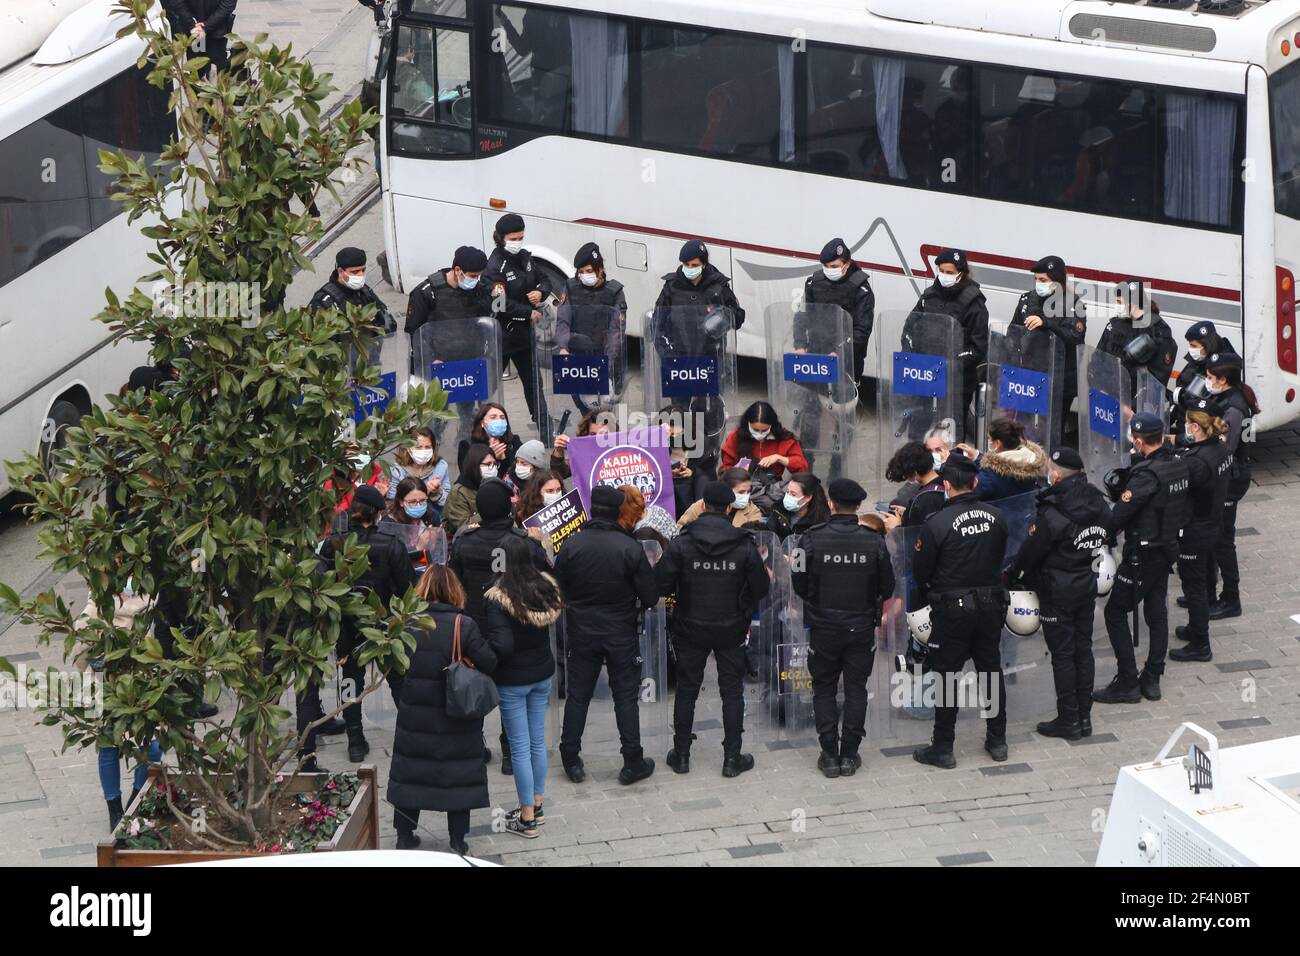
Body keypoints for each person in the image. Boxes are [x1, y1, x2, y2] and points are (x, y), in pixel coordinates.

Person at [657, 481, 770, 776]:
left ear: (703, 506)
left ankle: (681, 754)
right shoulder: (744, 544)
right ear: (730, 508)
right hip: (731, 627)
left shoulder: (682, 542)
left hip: (690, 625)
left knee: (687, 689)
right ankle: (732, 758)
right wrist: (742, 605)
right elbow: (761, 586)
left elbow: (660, 583)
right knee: (732, 691)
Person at [553, 485, 660, 785]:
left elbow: (558, 589)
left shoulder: (572, 545)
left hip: (582, 632)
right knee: (625, 697)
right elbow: (650, 596)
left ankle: (570, 757)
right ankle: (632, 761)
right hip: (620, 633)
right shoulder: (629, 548)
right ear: (616, 512)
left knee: (579, 696)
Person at [388, 565, 497, 854]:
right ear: (454, 590)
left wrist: (403, 695)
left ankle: (404, 834)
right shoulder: (464, 625)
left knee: (411, 768)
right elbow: (489, 661)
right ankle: (457, 839)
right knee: (458, 772)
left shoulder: (407, 623)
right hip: (455, 711)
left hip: (415, 711)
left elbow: (392, 665)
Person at [911, 455, 1011, 769]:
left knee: (946, 677)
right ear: (976, 482)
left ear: (946, 485)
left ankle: (943, 747)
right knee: (991, 671)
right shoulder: (997, 516)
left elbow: (921, 570)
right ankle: (997, 740)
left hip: (952, 610)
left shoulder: (937, 523)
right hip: (990, 606)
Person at [791, 478, 895, 777]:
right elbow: (887, 587)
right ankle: (849, 755)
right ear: (859, 506)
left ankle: (829, 753)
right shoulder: (875, 541)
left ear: (832, 504)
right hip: (860, 627)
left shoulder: (808, 539)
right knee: (855, 688)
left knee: (823, 687)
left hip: (823, 626)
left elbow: (799, 582)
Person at [1009, 447, 1113, 740]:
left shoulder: (1053, 512)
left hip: (1057, 589)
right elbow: (1110, 531)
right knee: (1084, 649)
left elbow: (1031, 553)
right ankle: (1084, 716)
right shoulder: (1097, 501)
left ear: (1055, 475)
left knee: (1064, 655)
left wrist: (1016, 576)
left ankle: (1069, 719)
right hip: (1086, 584)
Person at [450, 478, 550, 775]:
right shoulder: (523, 542)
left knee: (474, 686)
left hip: (476, 627)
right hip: (513, 625)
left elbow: (456, 581)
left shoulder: (465, 542)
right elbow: (542, 578)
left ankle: (475, 746)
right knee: (511, 685)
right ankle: (510, 753)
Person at [1093, 412, 1189, 705]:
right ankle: (1152, 677)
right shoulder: (1176, 464)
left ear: (1137, 440)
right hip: (1166, 548)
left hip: (1143, 554)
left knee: (1115, 612)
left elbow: (1118, 515)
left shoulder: (1146, 476)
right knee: (1156, 610)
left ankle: (1127, 681)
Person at [319, 483, 418, 762]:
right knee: (398, 679)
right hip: (386, 624)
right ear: (376, 514)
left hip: (348, 625)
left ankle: (355, 740)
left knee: (350, 681)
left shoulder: (335, 543)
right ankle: (411, 736)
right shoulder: (391, 544)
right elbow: (408, 588)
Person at [483, 535, 564, 838]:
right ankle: (537, 805)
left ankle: (526, 816)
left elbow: (502, 645)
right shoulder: (545, 587)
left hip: (512, 681)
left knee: (519, 747)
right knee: (536, 742)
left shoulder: (498, 597)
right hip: (542, 674)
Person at [652, 239, 745, 462]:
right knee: (679, 414)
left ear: (703, 264)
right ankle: (679, 458)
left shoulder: (718, 286)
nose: (689, 269)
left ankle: (708, 456)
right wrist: (667, 354)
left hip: (709, 360)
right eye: (685, 264)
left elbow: (738, 316)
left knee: (708, 413)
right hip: (679, 362)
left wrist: (723, 316)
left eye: (694, 264)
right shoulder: (672, 287)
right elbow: (657, 324)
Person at [1170, 401, 1232, 664]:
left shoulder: (1198, 461)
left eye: (1187, 423)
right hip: (1212, 523)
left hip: (1195, 529)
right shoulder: (1220, 448)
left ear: (1195, 426)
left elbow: (1179, 486)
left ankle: (1200, 644)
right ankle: (1197, 628)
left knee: (1193, 586)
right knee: (1204, 581)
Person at [906, 248, 988, 434]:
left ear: (961, 273)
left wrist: (950, 364)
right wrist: (910, 355)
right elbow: (910, 326)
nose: (944, 275)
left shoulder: (974, 303)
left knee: (950, 434)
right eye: (941, 270)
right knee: (917, 430)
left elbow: (978, 347)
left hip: (956, 382)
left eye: (949, 272)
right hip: (926, 376)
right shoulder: (929, 295)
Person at [1201, 351, 1257, 621]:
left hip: (1231, 477)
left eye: (1211, 377)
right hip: (1229, 473)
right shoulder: (1231, 397)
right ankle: (1207, 592)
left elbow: (1225, 448)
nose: (1207, 380)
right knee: (1216, 537)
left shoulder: (1234, 408)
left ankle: (1231, 598)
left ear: (1224, 379)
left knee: (1222, 540)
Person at [1009, 255, 1087, 445]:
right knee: (1024, 427)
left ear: (1057, 281)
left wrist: (1046, 323)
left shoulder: (1073, 305)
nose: (1038, 284)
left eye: (1043, 280)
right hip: (1030, 376)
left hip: (1059, 381)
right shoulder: (1027, 300)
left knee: (1052, 429)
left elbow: (1074, 336)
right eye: (1036, 279)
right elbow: (1013, 333)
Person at [485, 213, 550, 423]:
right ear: (501, 238)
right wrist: (527, 312)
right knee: (489, 387)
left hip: (524, 336)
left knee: (534, 385)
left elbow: (545, 280)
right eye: (513, 239)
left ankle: (544, 426)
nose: (517, 242)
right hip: (503, 336)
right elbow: (499, 304)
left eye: (520, 237)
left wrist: (541, 292)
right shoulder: (496, 266)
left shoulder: (525, 258)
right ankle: (479, 427)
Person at [404, 245, 493, 376]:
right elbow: (413, 331)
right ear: (458, 270)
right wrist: (430, 359)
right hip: (437, 365)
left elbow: (484, 323)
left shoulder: (478, 291)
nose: (475, 280)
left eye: (478, 276)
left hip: (469, 363)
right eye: (473, 276)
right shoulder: (426, 292)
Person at [803, 237, 875, 396]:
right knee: (812, 409)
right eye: (826, 266)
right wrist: (800, 345)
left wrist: (840, 352)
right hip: (817, 357)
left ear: (847, 264)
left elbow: (862, 330)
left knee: (842, 408)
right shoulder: (814, 283)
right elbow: (805, 318)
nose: (829, 270)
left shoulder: (861, 289)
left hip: (846, 361)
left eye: (834, 266)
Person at [1097, 279, 1177, 394]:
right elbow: (1099, 356)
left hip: (1134, 402)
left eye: (1120, 302)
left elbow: (1158, 376)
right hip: (1108, 393)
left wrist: (1134, 405)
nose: (1117, 306)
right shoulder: (1115, 324)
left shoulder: (1157, 330)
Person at [308, 246, 396, 340]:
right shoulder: (323, 301)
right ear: (341, 271)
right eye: (355, 272)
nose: (360, 275)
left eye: (363, 270)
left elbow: (385, 317)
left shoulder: (364, 291)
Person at [955, 418, 1047, 502]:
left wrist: (946, 464)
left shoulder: (990, 475)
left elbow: (966, 493)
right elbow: (1004, 462)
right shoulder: (1031, 462)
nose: (989, 443)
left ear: (998, 443)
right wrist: (977, 456)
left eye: (990, 439)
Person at [1170, 321, 1235, 434]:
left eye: (1194, 345)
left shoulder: (1222, 367)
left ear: (1207, 345)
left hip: (1203, 429)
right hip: (1187, 423)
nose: (1190, 349)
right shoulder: (1198, 359)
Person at [719, 401, 809, 481]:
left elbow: (802, 468)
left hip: (772, 489)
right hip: (742, 486)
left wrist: (779, 458)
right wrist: (736, 470)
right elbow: (723, 473)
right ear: (748, 424)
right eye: (755, 430)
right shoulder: (735, 437)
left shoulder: (784, 438)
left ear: (772, 425)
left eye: (764, 430)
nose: (760, 434)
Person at [881, 441, 947, 532]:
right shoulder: (945, 482)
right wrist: (907, 512)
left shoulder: (923, 500)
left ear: (915, 473)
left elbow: (915, 537)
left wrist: (897, 526)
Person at [387, 428, 448, 521]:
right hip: (403, 520)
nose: (423, 451)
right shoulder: (397, 470)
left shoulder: (441, 467)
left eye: (428, 447)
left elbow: (447, 501)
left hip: (433, 518)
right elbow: (392, 500)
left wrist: (436, 492)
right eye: (419, 447)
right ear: (408, 448)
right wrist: (419, 493)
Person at [162, 0, 238, 74]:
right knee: (211, 71)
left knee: (198, 71)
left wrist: (194, 25)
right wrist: (203, 27)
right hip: (211, 31)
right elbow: (227, 6)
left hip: (198, 31)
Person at [678, 467, 763, 529]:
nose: (746, 496)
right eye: (741, 492)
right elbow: (680, 529)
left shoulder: (752, 511)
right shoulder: (700, 506)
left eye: (748, 492)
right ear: (726, 489)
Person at [443, 444, 498, 539]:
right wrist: (490, 510)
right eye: (488, 464)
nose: (493, 468)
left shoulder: (495, 486)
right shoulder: (459, 492)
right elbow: (463, 526)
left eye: (495, 464)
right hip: (466, 543)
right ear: (475, 466)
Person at [457, 402, 522, 479]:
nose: (499, 421)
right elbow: (467, 475)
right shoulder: (467, 445)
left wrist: (504, 460)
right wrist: (490, 456)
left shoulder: (513, 442)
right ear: (482, 423)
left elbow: (519, 474)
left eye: (502, 417)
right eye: (493, 417)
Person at [549, 405, 612, 481]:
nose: (598, 439)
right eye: (593, 435)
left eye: (603, 435)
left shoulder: (624, 453)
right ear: (586, 435)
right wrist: (558, 451)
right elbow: (559, 474)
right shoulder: (582, 455)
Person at [768, 472, 831, 539]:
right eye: (787, 492)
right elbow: (769, 535)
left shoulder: (820, 521)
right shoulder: (778, 510)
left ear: (807, 498)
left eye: (793, 494)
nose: (788, 496)